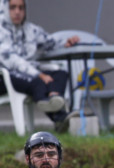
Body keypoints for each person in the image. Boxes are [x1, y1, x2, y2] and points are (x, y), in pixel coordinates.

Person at [0, 0, 79, 133]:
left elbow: (50, 43)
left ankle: (53, 97)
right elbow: (12, 61)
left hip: (31, 73)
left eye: (21, 8)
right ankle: (54, 110)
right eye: (13, 8)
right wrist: (40, 74)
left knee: (60, 74)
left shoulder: (31, 29)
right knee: (38, 82)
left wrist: (66, 43)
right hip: (5, 76)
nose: (17, 12)